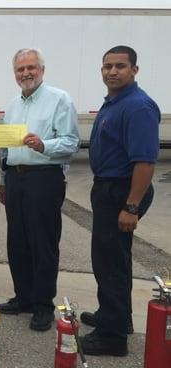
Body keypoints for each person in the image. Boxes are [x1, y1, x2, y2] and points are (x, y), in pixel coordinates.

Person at [80, 46, 160, 357]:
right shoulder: (115, 101)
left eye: (120, 66)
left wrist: (131, 206)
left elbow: (145, 162)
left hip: (122, 192)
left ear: (134, 70)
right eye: (107, 66)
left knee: (109, 262)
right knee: (114, 259)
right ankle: (116, 317)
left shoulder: (138, 106)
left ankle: (112, 337)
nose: (112, 72)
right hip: (109, 189)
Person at [0, 48, 79, 330]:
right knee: (17, 242)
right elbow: (7, 149)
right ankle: (24, 297)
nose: (26, 73)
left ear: (42, 70)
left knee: (43, 243)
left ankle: (43, 304)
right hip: (16, 179)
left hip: (45, 178)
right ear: (14, 73)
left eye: (31, 68)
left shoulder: (59, 100)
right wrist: (4, 181)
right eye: (20, 69)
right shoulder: (12, 106)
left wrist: (44, 145)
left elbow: (71, 143)